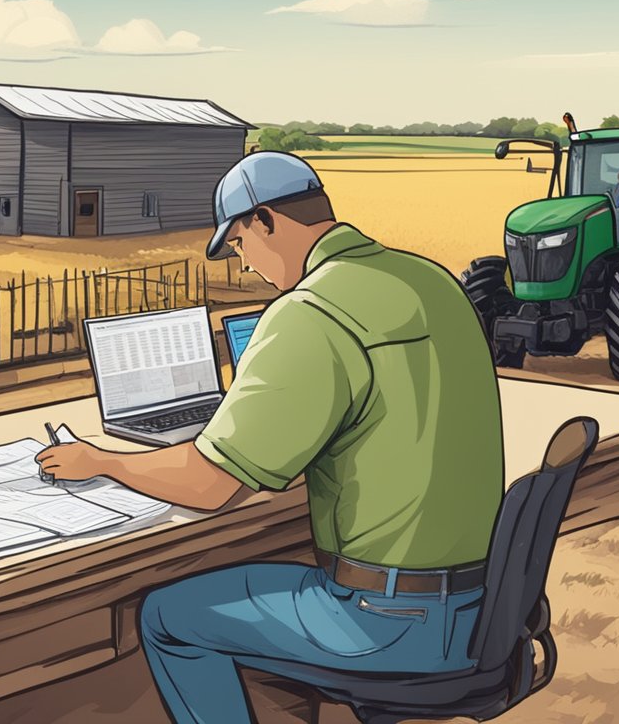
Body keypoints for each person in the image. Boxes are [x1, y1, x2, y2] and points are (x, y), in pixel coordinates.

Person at [36, 151, 504, 724]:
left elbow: (211, 486)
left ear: (265, 220)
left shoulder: (309, 310)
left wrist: (104, 462)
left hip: (383, 623)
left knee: (166, 618)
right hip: (484, 609)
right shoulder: (428, 278)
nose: (246, 265)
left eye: (238, 244)